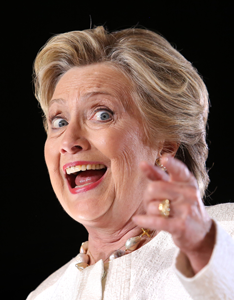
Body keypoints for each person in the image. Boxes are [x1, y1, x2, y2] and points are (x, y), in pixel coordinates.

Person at [27, 26, 234, 299]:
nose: (69, 140)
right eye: (60, 122)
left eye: (102, 114)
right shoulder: (44, 295)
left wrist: (207, 258)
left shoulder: (225, 235)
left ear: (165, 148)